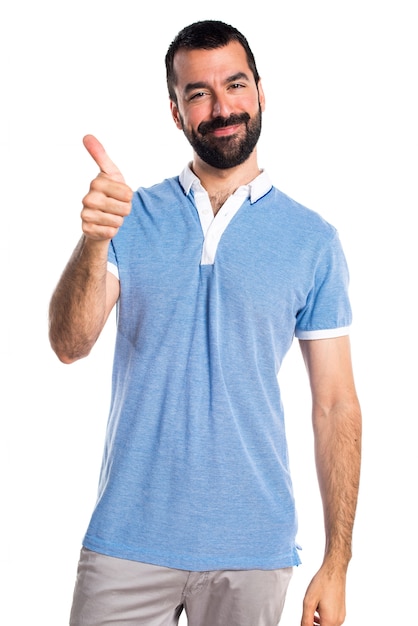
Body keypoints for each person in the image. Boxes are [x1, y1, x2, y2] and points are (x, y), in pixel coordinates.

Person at [49, 20, 362, 626]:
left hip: (253, 549)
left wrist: (338, 561)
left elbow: (336, 405)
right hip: (126, 540)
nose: (222, 108)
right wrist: (94, 241)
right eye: (198, 93)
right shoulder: (130, 216)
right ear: (176, 111)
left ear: (261, 92)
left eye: (235, 85)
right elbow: (69, 344)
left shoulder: (313, 241)